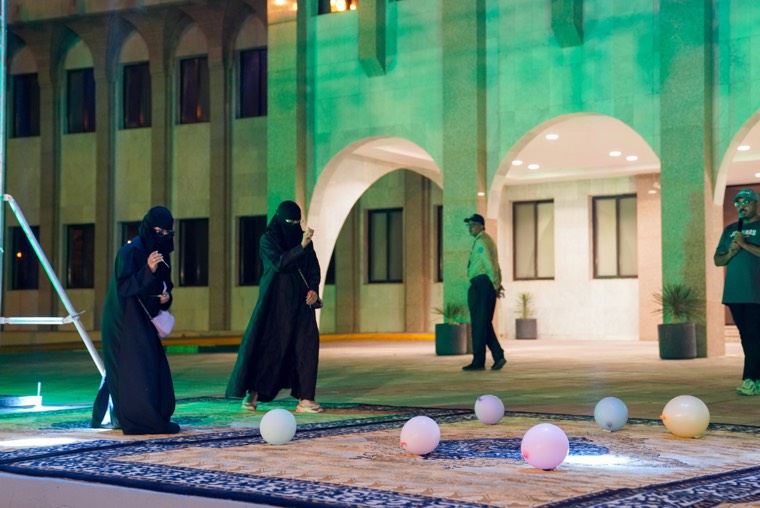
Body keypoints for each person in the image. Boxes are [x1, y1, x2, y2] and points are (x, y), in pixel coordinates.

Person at [226, 200, 324, 413]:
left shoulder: (304, 241)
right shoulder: (268, 239)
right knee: (269, 349)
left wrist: (314, 291)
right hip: (275, 304)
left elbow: (313, 269)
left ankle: (306, 398)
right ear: (280, 220)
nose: (294, 226)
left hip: (301, 304)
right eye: (290, 222)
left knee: (307, 348)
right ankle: (253, 393)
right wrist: (301, 247)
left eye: (298, 222)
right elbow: (279, 263)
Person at [91, 206, 180, 434]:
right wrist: (148, 269)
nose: (162, 236)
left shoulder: (161, 254)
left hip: (144, 318)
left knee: (148, 367)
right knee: (133, 369)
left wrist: (165, 298)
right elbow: (124, 287)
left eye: (166, 232)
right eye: (157, 231)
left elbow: (164, 287)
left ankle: (128, 415)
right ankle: (129, 418)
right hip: (123, 319)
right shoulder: (129, 252)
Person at [714, 188, 760, 396]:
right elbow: (718, 260)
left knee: (753, 336)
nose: (742, 206)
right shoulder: (730, 229)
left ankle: (750, 379)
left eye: (746, 202)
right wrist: (731, 252)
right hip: (734, 293)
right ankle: (755, 378)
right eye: (738, 203)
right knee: (747, 336)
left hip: (756, 292)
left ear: (756, 204)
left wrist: (744, 244)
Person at [462, 213, 507, 371]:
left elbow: (488, 264)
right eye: (468, 225)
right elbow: (496, 264)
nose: (470, 228)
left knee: (479, 324)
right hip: (485, 284)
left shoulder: (481, 241)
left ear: (481, 226)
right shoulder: (487, 240)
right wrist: (497, 283)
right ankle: (498, 355)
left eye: (473, 225)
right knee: (484, 323)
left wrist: (496, 284)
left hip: (481, 284)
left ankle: (479, 361)